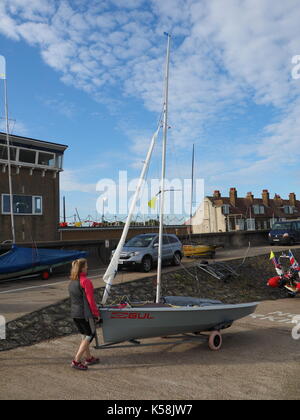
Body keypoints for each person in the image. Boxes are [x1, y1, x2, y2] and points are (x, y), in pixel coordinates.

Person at [69, 258, 100, 370]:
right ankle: (76, 361)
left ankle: (88, 357)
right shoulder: (85, 281)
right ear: (82, 268)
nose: (87, 267)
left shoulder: (72, 282)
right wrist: (96, 314)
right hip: (84, 314)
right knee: (90, 334)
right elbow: (91, 300)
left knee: (84, 335)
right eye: (86, 266)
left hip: (75, 314)